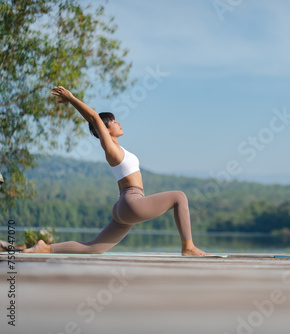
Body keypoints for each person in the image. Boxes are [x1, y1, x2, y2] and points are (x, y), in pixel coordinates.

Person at [24, 86, 207, 256]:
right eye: (112, 121)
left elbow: (96, 120)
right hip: (131, 202)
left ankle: (46, 247)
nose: (118, 123)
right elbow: (95, 118)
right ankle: (188, 247)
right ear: (105, 129)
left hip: (124, 207)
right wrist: (71, 99)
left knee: (94, 248)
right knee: (179, 197)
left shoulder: (121, 150)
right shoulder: (111, 149)